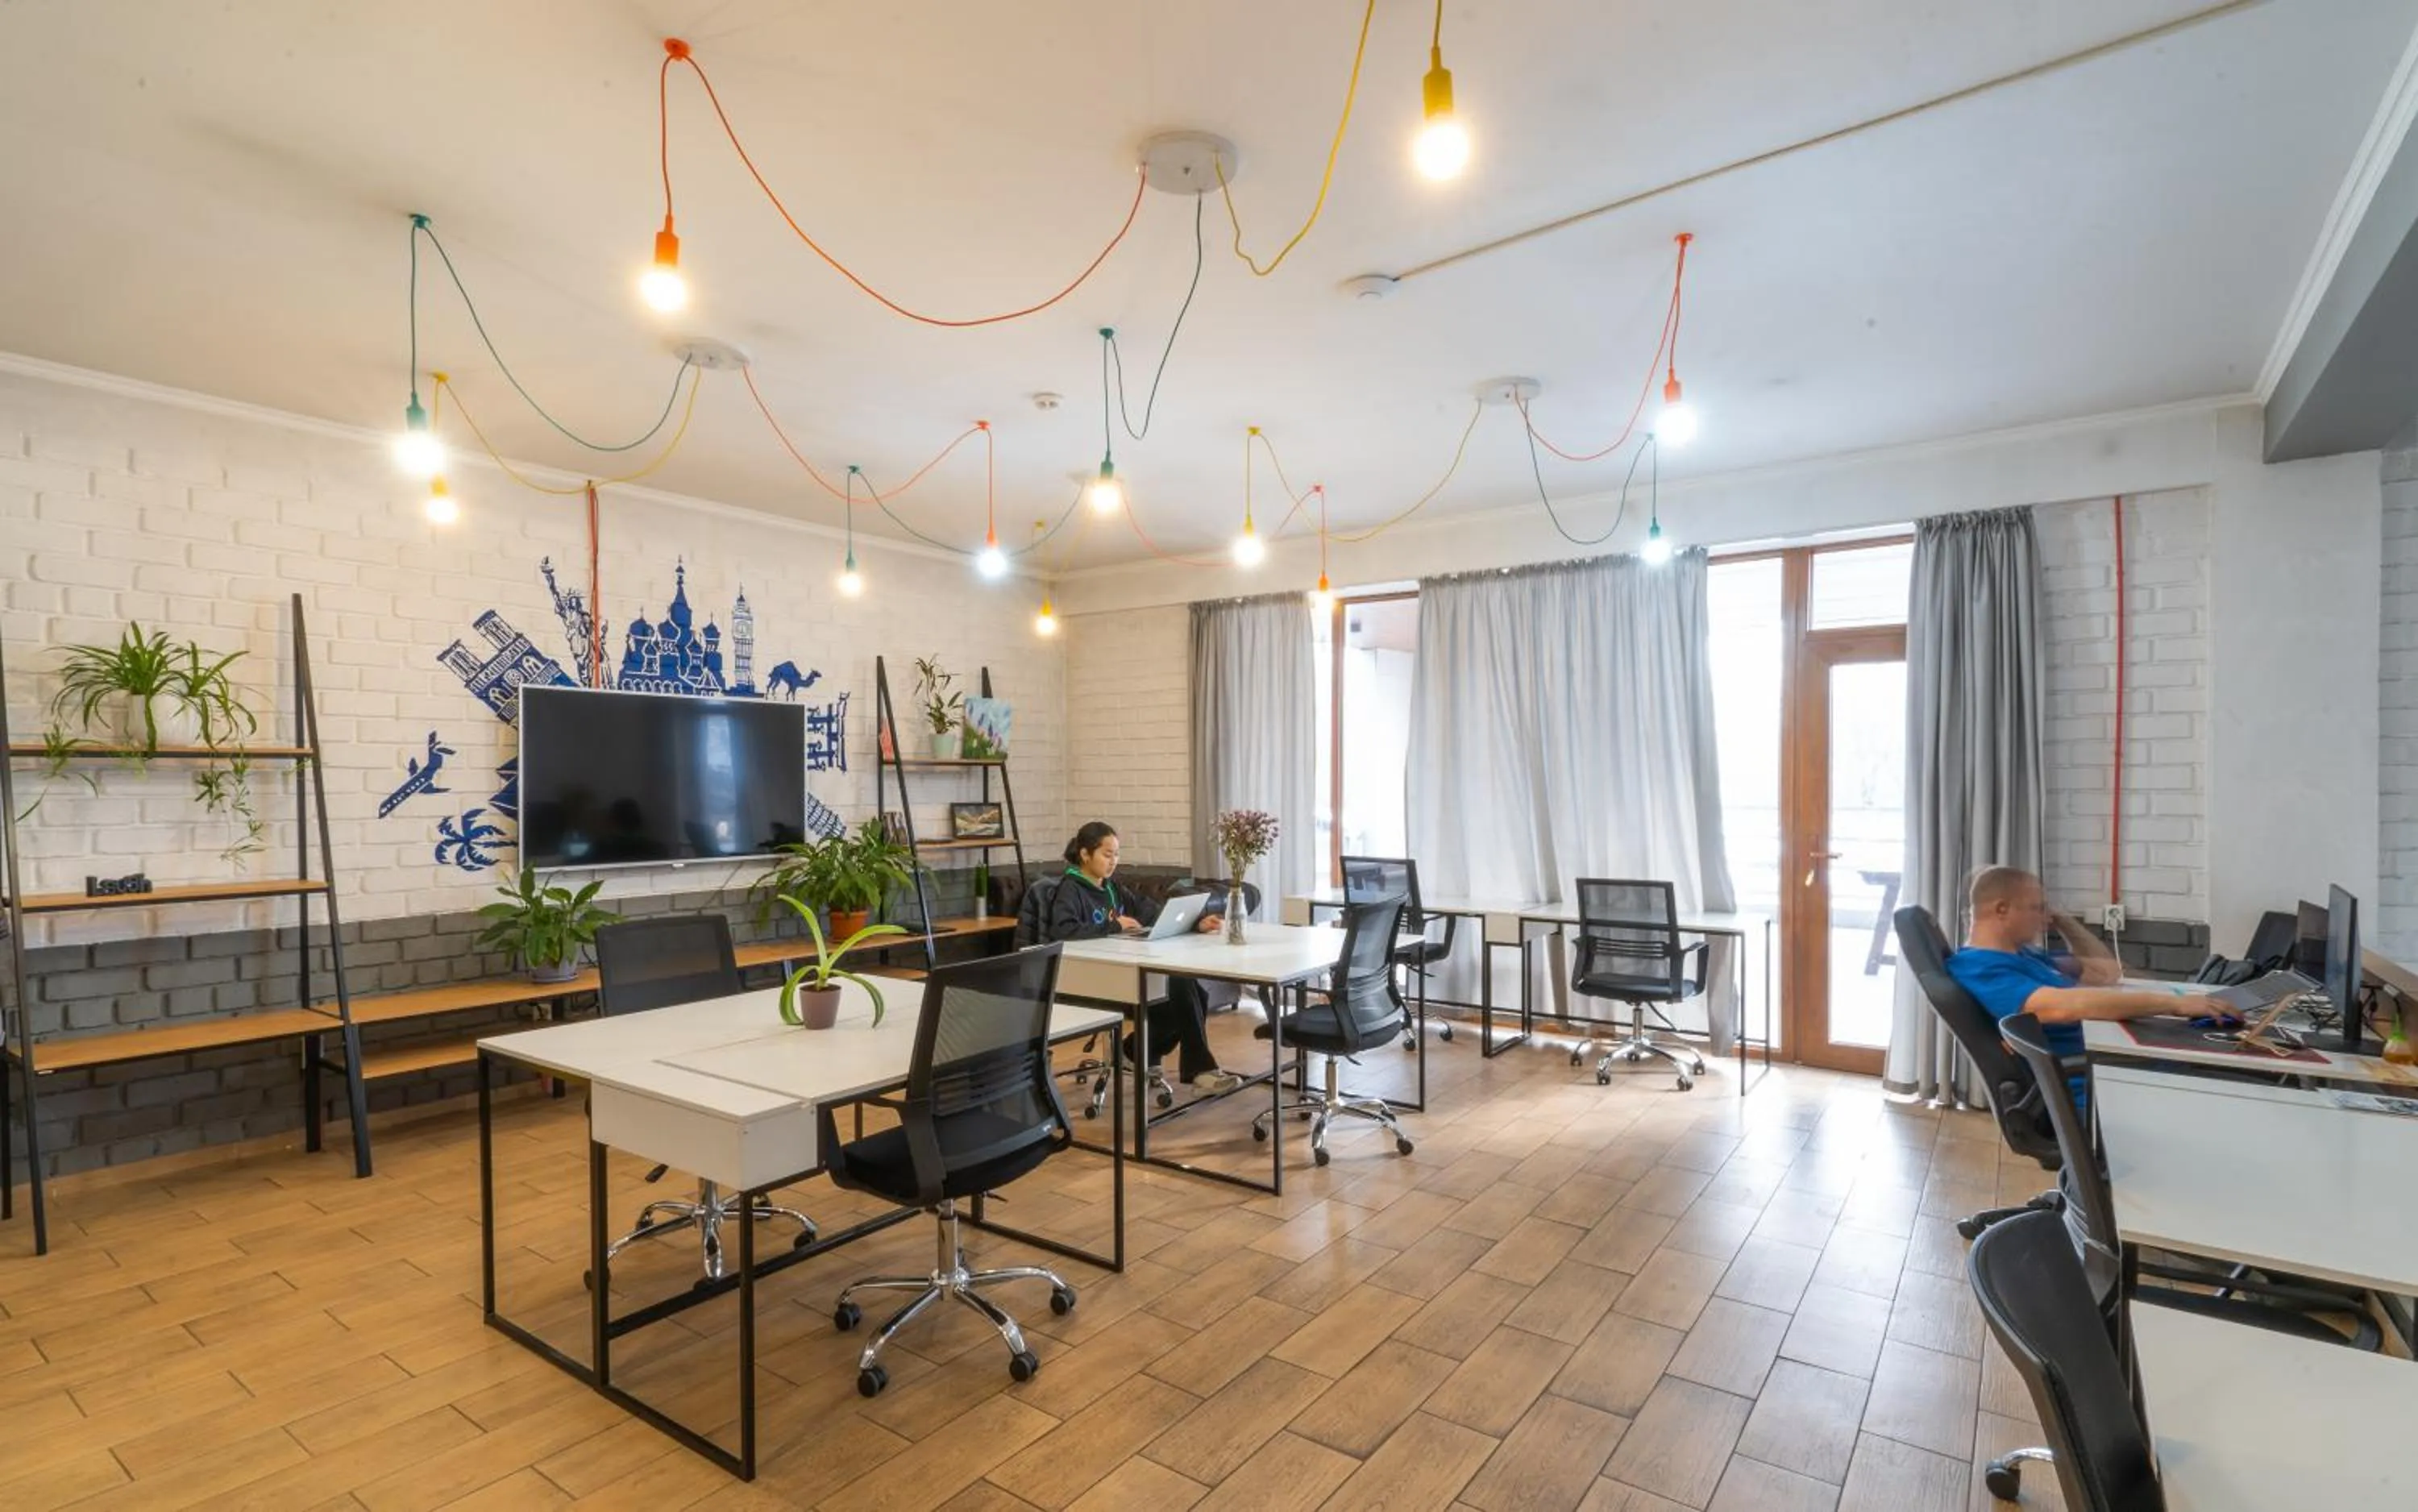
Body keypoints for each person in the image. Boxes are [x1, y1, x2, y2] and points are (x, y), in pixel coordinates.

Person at [1946, 865, 2237, 1107]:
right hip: (2087, 1088)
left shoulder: (2024, 955)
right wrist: (2175, 1004)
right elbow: (2062, 1007)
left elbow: (2105, 972)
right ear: (2002, 909)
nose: (2042, 917)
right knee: (2235, 1092)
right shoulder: (1980, 967)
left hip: (2109, 1070)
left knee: (2228, 1071)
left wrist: (2063, 921)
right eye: (2037, 908)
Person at [1044, 822, 1242, 1094]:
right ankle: (1200, 1071)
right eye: (1106, 854)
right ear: (1085, 854)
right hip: (1094, 976)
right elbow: (1063, 929)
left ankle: (1133, 1051)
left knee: (1191, 993)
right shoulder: (1071, 889)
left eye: (1116, 854)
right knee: (1181, 991)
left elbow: (1150, 912)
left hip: (1124, 967)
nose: (1113, 862)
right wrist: (1114, 926)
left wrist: (1197, 923)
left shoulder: (1112, 888)